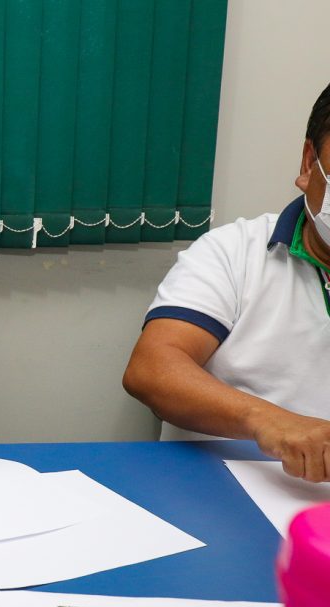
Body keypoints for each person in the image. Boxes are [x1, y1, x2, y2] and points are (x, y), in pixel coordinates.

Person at [123, 81, 330, 483]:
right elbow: (151, 368)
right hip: (220, 486)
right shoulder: (233, 251)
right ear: (309, 164)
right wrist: (269, 420)